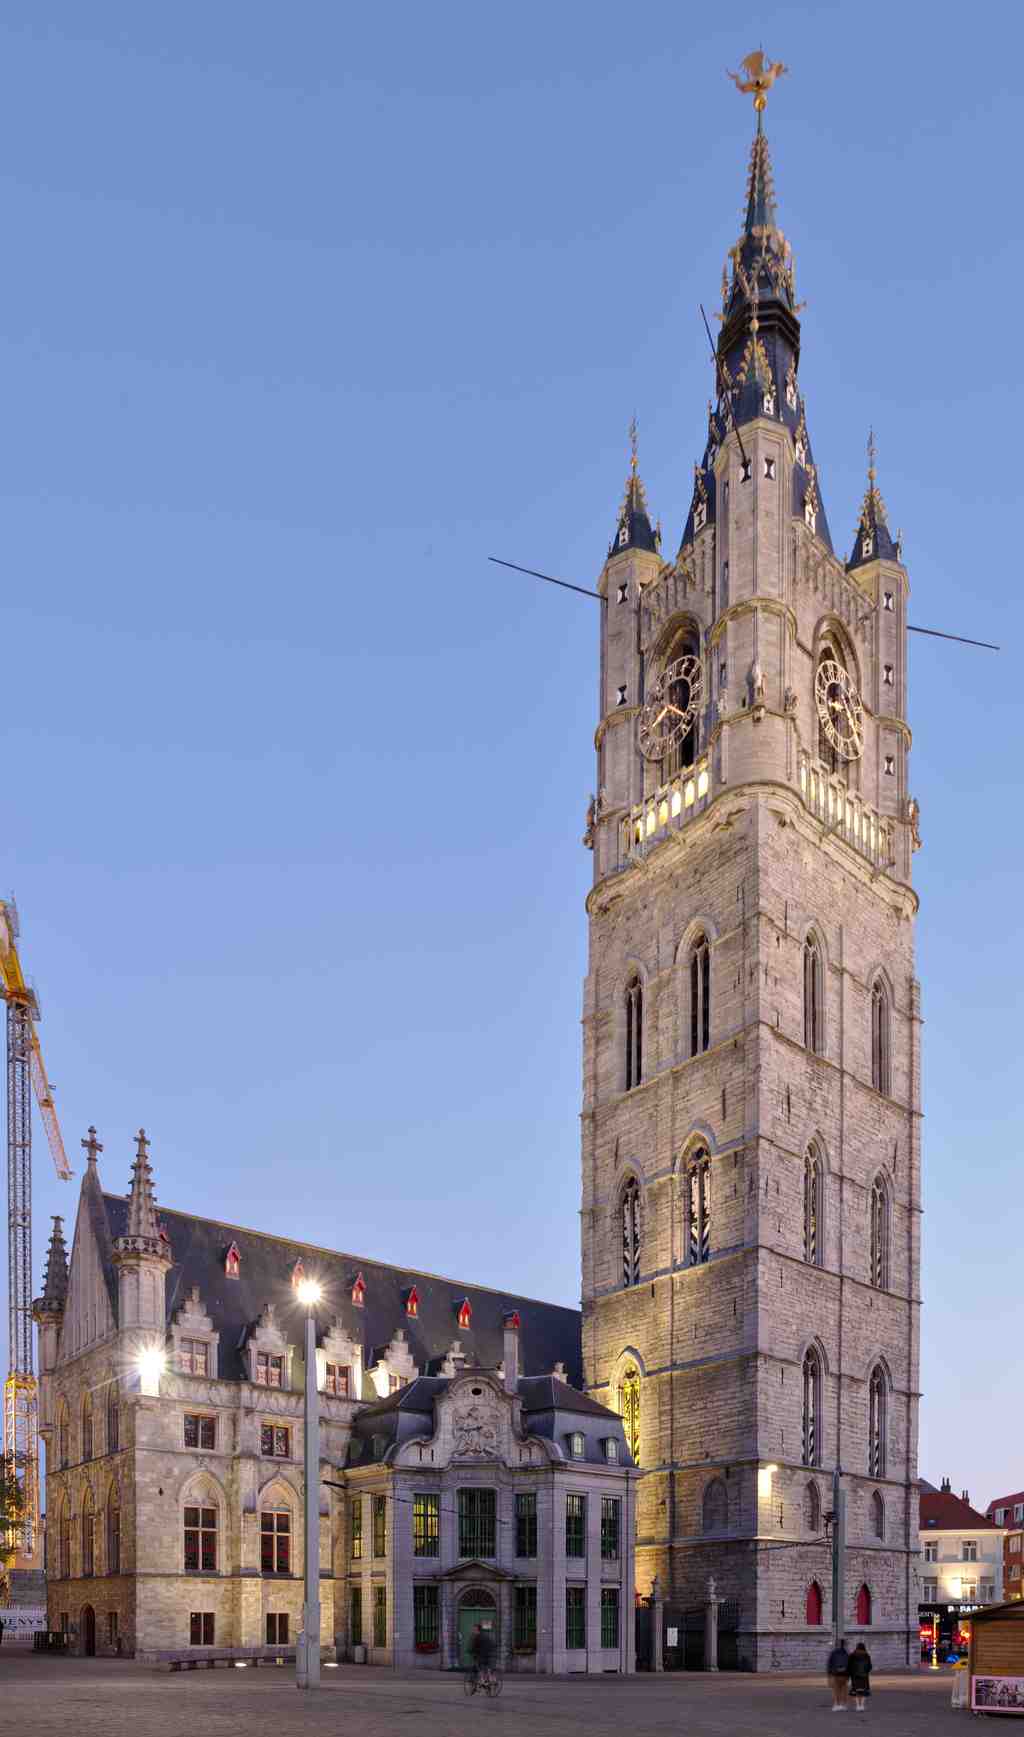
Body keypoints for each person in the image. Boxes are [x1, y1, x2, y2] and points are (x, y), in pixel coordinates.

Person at [848, 1641, 873, 1712]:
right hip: (864, 1676)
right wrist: (866, 1672)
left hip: (854, 1676)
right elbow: (870, 1666)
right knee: (864, 1691)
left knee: (855, 1691)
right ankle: (862, 1705)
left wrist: (851, 1673)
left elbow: (849, 1666)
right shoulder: (867, 1655)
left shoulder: (852, 1655)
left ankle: (857, 1705)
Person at [469, 1622, 494, 1688]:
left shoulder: (477, 1637)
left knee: (479, 1668)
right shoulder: (486, 1635)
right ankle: (491, 1680)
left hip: (482, 1655)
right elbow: (491, 1644)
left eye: (474, 1629)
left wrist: (471, 1651)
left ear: (477, 1630)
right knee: (487, 1667)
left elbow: (474, 1647)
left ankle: (483, 1682)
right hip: (489, 1654)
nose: (473, 1631)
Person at [827, 1637, 850, 1710]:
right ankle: (843, 1705)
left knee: (836, 1690)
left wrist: (829, 1674)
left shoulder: (833, 1653)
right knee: (843, 1690)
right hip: (844, 1674)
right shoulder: (847, 1653)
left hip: (836, 1674)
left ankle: (837, 1704)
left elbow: (829, 1664)